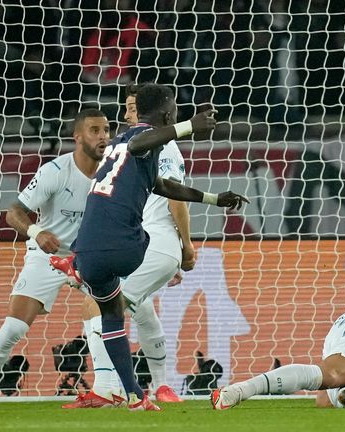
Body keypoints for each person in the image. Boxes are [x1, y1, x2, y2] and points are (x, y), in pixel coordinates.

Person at [51, 83, 249, 411]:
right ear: (168, 113)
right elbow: (143, 142)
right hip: (127, 248)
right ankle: (149, 383)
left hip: (89, 249)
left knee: (114, 315)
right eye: (174, 111)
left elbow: (160, 184)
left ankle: (133, 396)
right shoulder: (145, 139)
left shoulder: (116, 144)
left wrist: (213, 199)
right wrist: (188, 127)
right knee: (144, 245)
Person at [0, 109, 110, 405]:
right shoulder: (55, 172)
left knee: (125, 317)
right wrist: (37, 231)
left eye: (106, 129)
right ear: (77, 136)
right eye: (94, 130)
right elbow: (13, 213)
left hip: (93, 258)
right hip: (48, 256)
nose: (103, 136)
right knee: (14, 327)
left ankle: (151, 387)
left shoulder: (114, 172)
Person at [62, 83, 195, 408]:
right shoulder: (127, 149)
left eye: (132, 107)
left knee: (100, 304)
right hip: (140, 242)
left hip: (151, 243)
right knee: (141, 310)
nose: (125, 113)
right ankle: (162, 385)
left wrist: (184, 247)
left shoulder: (160, 145)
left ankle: (109, 389)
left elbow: (174, 195)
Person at [210, 270, 345, 410]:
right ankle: (237, 391)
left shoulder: (337, 325)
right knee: (330, 375)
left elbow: (322, 400)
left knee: (344, 390)